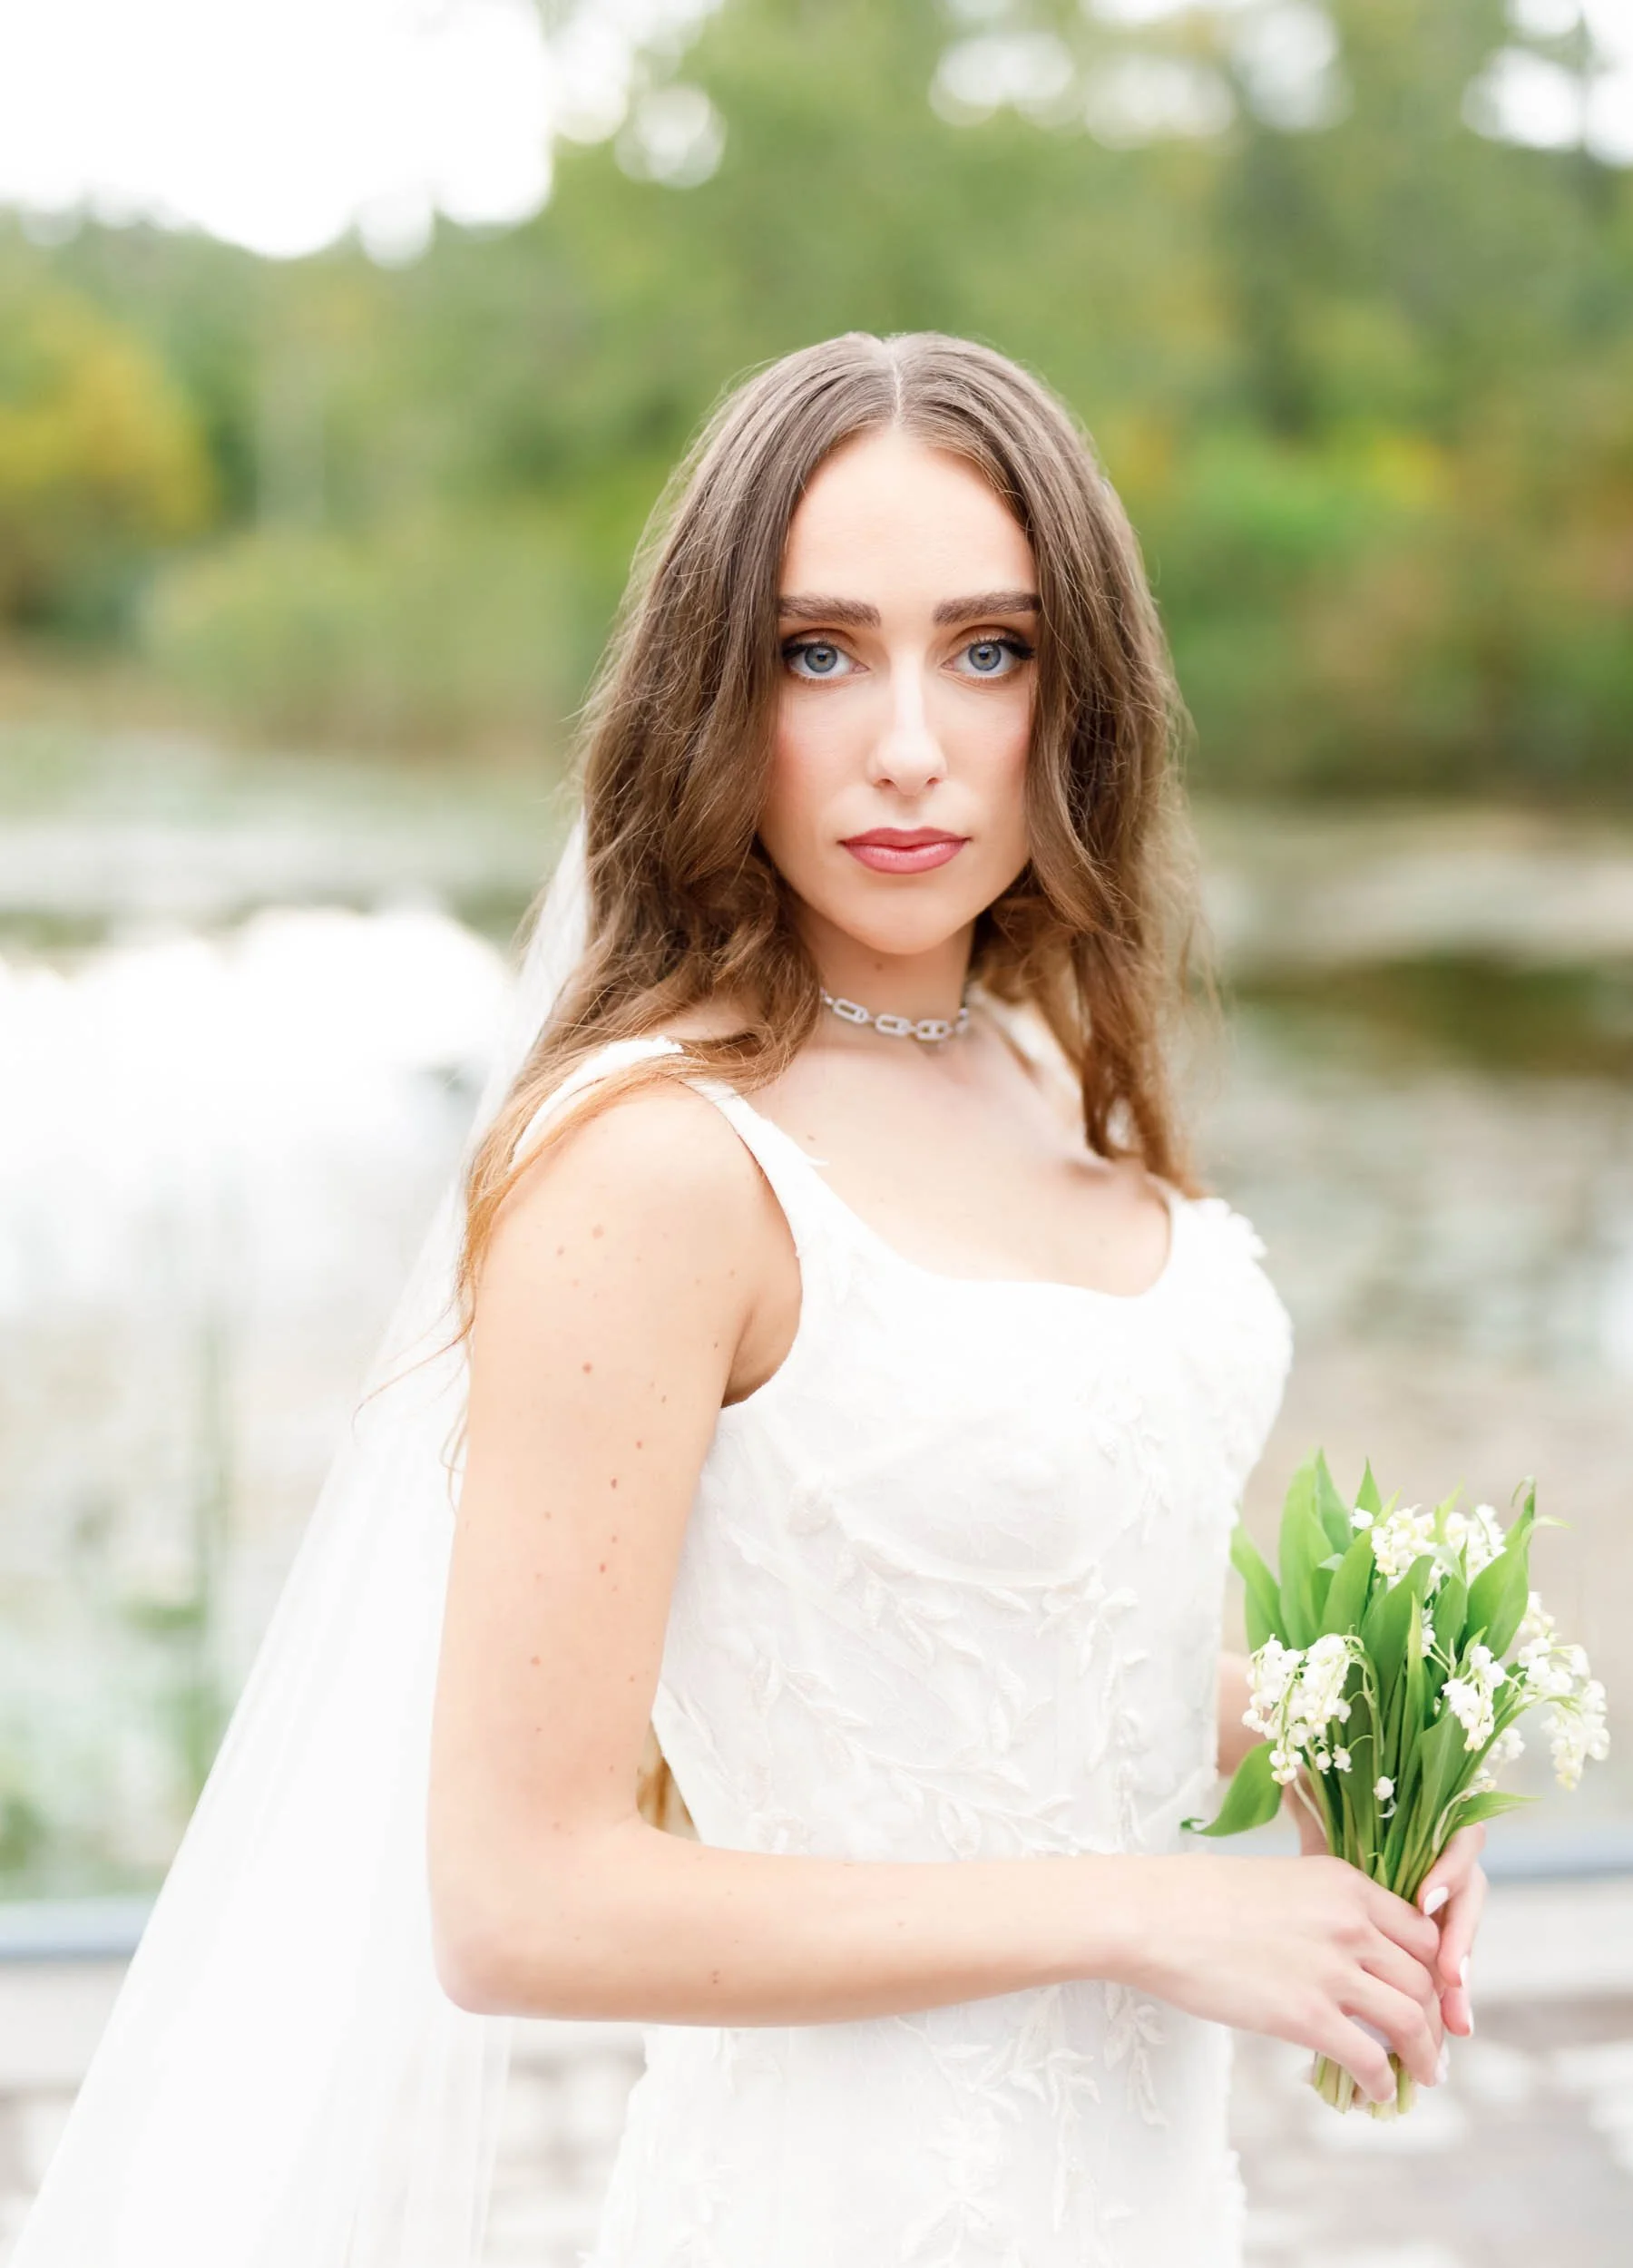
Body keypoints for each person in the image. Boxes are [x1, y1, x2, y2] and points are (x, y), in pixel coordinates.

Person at [427, 329, 1488, 2264]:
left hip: (1139, 2201)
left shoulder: (1025, 1063)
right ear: (708, 693)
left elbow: (998, 1659)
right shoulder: (664, 1167)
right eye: (815, 651)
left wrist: (1346, 1734)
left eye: (987, 649)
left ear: (1073, 696)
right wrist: (1140, 1906)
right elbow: (519, 1899)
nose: (907, 741)